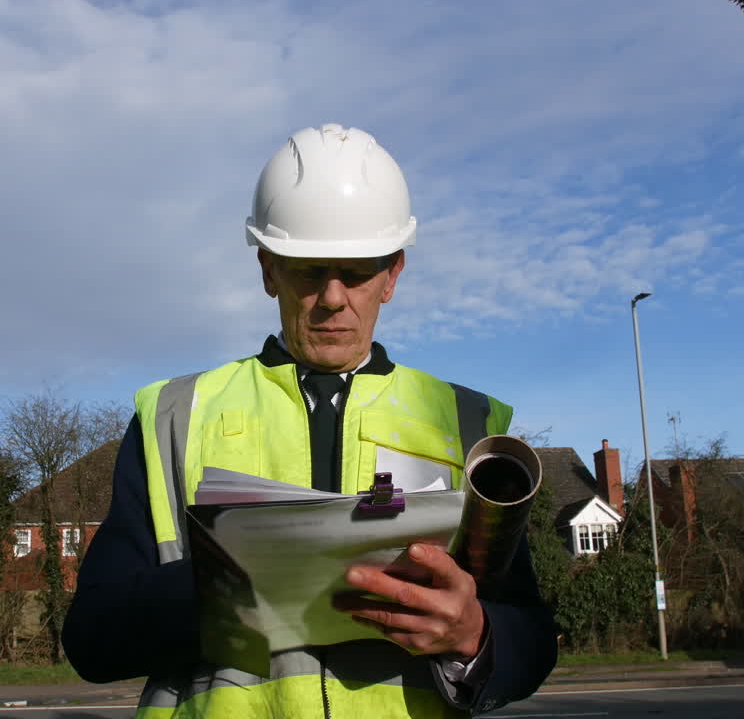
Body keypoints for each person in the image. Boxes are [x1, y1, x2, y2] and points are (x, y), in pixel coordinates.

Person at [63, 124, 557, 718]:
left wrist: (474, 635)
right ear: (268, 270)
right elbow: (92, 638)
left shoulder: (468, 425)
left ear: (392, 275)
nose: (331, 297)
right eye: (307, 270)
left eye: (356, 272)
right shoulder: (176, 416)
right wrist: (227, 585)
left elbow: (531, 634)